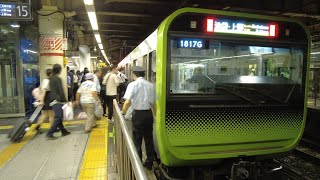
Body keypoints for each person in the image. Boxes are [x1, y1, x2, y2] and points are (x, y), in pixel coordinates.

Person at [121, 66, 156, 170]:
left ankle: (138, 164)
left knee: (137, 139)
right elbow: (154, 103)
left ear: (134, 74)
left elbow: (127, 102)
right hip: (148, 114)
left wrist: (123, 113)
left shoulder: (133, 85)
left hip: (138, 115)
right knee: (149, 139)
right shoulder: (151, 85)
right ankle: (149, 163)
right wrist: (155, 116)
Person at [46, 64, 71, 140]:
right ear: (59, 70)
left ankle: (64, 131)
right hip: (58, 100)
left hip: (52, 99)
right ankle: (49, 133)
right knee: (58, 117)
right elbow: (60, 91)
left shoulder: (50, 78)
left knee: (58, 116)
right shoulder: (57, 79)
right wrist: (65, 100)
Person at [35, 69, 54, 133]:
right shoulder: (48, 81)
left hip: (46, 98)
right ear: (51, 74)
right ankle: (52, 128)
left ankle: (38, 125)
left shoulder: (44, 80)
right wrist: (42, 100)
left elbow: (40, 89)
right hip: (47, 98)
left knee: (45, 114)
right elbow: (44, 91)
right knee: (51, 114)